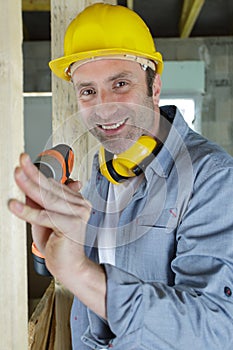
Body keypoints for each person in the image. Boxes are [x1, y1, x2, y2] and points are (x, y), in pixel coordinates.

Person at [8, 3, 233, 349]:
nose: (104, 108)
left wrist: (79, 273)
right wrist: (58, 255)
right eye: (88, 91)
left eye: (120, 84)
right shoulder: (103, 175)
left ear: (154, 86)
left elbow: (216, 330)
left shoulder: (211, 177)